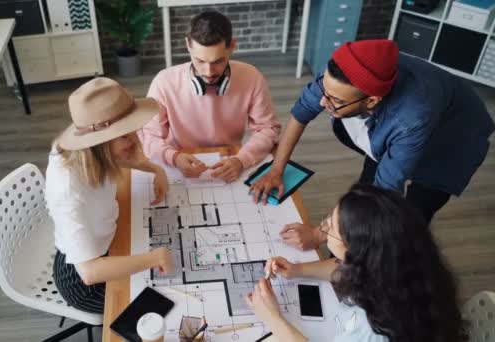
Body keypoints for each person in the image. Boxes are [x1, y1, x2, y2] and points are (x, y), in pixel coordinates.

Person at [250, 39, 494, 250]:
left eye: (334, 100)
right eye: (324, 90)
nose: (323, 102)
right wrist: (276, 170)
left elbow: (383, 191)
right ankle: (348, 241)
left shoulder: (410, 118)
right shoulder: (341, 74)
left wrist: (318, 234)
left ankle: (396, 260)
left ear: (371, 101)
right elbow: (301, 112)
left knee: (410, 217)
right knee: (367, 186)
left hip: (453, 139)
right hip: (409, 118)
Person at [247, 184, 466, 342]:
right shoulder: (405, 264)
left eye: (330, 228)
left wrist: (272, 318)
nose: (323, 230)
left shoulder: (376, 329)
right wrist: (297, 270)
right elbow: (344, 268)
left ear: (357, 253)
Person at [45, 78, 174, 313]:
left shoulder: (91, 151)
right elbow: (89, 272)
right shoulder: (68, 190)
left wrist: (156, 169)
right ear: (99, 144)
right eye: (125, 136)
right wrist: (155, 257)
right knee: (162, 307)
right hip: (84, 279)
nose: (134, 140)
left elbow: (123, 156)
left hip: (109, 240)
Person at [141, 11, 281, 183]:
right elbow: (149, 136)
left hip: (231, 158)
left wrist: (241, 160)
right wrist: (174, 157)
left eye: (218, 61)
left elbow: (268, 129)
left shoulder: (252, 77)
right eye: (199, 61)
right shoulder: (163, 82)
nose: (208, 72)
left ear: (232, 46)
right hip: (181, 160)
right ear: (188, 45)